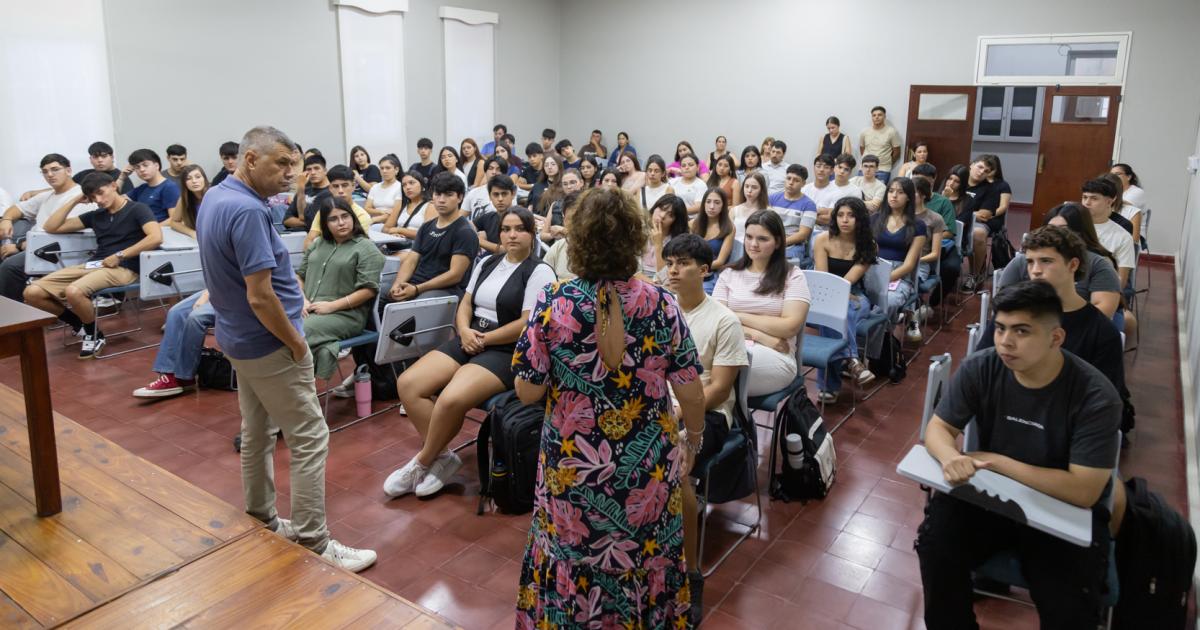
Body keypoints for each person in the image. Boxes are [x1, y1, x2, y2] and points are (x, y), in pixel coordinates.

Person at [511, 187, 705, 628]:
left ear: (577, 240)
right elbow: (691, 390)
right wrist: (693, 438)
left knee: (570, 560)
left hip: (571, 473)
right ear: (635, 240)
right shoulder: (662, 304)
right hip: (645, 472)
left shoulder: (554, 303)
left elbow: (526, 391)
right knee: (647, 559)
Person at [195, 125, 376, 571]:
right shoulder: (248, 212)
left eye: (294, 165)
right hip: (269, 342)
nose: (291, 174)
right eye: (282, 164)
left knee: (258, 432)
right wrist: (297, 343)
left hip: (238, 336)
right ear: (251, 160)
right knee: (311, 436)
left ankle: (261, 517)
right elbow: (260, 295)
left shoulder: (216, 198)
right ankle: (314, 540)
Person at [917, 280, 1120, 630]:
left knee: (1068, 601)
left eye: (1021, 331)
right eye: (999, 329)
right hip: (992, 499)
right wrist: (950, 457)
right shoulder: (982, 367)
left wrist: (999, 463)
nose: (1005, 342)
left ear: (1056, 338)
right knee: (935, 545)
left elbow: (1084, 490)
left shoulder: (1095, 396)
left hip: (1060, 513)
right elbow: (938, 429)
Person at [386, 207, 555, 498]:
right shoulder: (488, 261)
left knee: (451, 397)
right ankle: (442, 458)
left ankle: (422, 461)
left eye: (519, 229)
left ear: (532, 233)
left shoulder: (538, 271)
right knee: (409, 384)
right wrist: (464, 330)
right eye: (506, 229)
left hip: (505, 349)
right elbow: (466, 303)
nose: (511, 235)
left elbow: (526, 323)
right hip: (471, 336)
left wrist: (484, 339)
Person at [661, 233, 749, 623]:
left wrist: (681, 411)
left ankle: (690, 575)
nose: (674, 271)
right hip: (660, 406)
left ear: (705, 270)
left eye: (682, 263)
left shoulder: (724, 320)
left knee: (676, 472)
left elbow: (720, 388)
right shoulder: (661, 310)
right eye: (670, 263)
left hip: (708, 415)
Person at [979, 228, 1129, 426]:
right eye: (1030, 262)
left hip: (1067, 428)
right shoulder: (1010, 317)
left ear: (1073, 264)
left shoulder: (1100, 331)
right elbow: (980, 373)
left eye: (1046, 261)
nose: (1035, 270)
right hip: (1008, 415)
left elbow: (1105, 402)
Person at [24, 172, 162, 358]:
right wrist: (75, 200)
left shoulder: (138, 209)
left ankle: (93, 333)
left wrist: (120, 255)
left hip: (125, 266)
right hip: (96, 264)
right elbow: (51, 227)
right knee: (32, 293)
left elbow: (155, 237)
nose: (98, 199)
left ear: (114, 186)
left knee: (75, 291)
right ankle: (78, 323)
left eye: (101, 192)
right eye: (92, 196)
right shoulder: (96, 215)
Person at [714, 210, 811, 397]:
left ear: (778, 242)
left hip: (777, 356)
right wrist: (762, 336)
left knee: (721, 374)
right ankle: (728, 423)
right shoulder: (729, 274)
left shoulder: (793, 276)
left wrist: (737, 316)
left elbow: (789, 327)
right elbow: (717, 323)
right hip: (742, 345)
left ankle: (730, 424)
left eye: (762, 239)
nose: (753, 244)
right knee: (710, 369)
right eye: (749, 237)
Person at [297, 197, 386, 380]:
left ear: (353, 217)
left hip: (346, 315)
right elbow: (300, 275)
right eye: (333, 219)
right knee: (273, 323)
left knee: (297, 330)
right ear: (325, 223)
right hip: (309, 309)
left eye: (345, 216)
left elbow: (369, 290)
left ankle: (293, 388)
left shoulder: (366, 248)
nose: (341, 223)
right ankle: (288, 386)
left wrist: (331, 306)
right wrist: (302, 300)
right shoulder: (318, 243)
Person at [0, 154, 95, 301]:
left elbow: (61, 234)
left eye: (55, 169)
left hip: (61, 252)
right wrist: (6, 219)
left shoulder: (80, 197)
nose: (49, 174)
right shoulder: (47, 195)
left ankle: (15, 319)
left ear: (68, 170)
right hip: (38, 249)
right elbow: (17, 209)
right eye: (45, 171)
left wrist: (19, 246)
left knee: (10, 267)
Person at [812, 197, 878, 401]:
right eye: (840, 215)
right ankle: (852, 359)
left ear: (860, 219)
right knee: (833, 311)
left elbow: (850, 280)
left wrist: (841, 294)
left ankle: (829, 385)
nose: (845, 220)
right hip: (825, 293)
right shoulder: (823, 239)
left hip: (855, 294)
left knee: (841, 311)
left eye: (851, 215)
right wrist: (835, 294)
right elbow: (824, 279)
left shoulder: (869, 244)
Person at [385, 171, 479, 303]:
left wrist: (417, 289)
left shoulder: (465, 232)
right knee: (379, 293)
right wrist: (397, 284)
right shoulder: (426, 227)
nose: (441, 200)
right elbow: (411, 261)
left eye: (448, 195)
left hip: (446, 290)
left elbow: (455, 275)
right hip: (416, 283)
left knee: (412, 306)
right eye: (437, 194)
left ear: (460, 197)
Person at [1031, 203, 1123, 320]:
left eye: (1063, 230)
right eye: (1050, 229)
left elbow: (1101, 314)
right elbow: (1003, 302)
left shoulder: (1098, 264)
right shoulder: (1026, 259)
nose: (1054, 235)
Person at [133, 289, 213, 398]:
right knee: (176, 312)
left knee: (195, 317)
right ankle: (171, 375)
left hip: (238, 291)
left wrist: (206, 295)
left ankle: (183, 377)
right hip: (217, 288)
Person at [875, 177, 928, 340]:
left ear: (909, 197)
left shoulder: (918, 226)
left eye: (900, 192)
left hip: (900, 276)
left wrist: (885, 279)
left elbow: (910, 264)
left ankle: (881, 344)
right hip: (874, 270)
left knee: (888, 302)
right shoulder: (875, 219)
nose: (894, 196)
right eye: (891, 191)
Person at [913, 163, 961, 304]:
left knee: (951, 268)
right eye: (915, 180)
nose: (917, 184)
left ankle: (933, 302)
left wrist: (930, 238)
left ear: (932, 180)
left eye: (922, 180)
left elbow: (950, 232)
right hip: (913, 248)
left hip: (939, 244)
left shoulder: (942, 202)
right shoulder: (906, 202)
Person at [302, 165, 373, 249]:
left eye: (345, 185)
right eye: (336, 186)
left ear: (353, 186)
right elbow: (309, 240)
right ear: (330, 188)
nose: (340, 191)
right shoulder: (323, 211)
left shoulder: (362, 215)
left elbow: (350, 248)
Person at [912, 176, 948, 325]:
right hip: (898, 261)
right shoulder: (900, 215)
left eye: (912, 192)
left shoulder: (935, 218)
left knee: (905, 281)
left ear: (923, 195)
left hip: (921, 263)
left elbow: (934, 253)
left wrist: (914, 260)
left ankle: (911, 314)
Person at [962, 155, 1003, 285]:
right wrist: (972, 212)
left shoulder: (991, 189)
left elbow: (984, 215)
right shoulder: (957, 180)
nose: (981, 172)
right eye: (980, 167)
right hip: (955, 220)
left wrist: (961, 211)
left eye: (986, 171)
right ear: (971, 164)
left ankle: (975, 274)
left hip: (977, 223)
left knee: (978, 234)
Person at [768, 164, 818, 265]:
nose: (791, 183)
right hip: (771, 241)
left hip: (793, 245)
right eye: (788, 178)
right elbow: (765, 224)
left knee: (782, 266)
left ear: (803, 183)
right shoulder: (772, 198)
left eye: (796, 180)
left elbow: (802, 235)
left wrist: (780, 243)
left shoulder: (809, 205)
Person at [690, 187, 735, 292]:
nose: (711, 207)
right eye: (708, 202)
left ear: (723, 205)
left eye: (717, 202)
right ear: (703, 204)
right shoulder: (693, 224)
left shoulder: (729, 227)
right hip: (692, 271)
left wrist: (697, 268)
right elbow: (689, 252)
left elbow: (720, 261)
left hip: (713, 274)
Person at [810, 154, 865, 233]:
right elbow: (815, 211)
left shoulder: (855, 191)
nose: (842, 171)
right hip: (814, 229)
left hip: (839, 232)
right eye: (840, 167)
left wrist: (811, 216)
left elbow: (845, 218)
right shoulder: (824, 186)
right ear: (834, 168)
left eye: (846, 169)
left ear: (850, 172)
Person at [126, 148, 182, 223]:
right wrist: (122, 178)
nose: (141, 169)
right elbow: (116, 201)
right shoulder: (142, 188)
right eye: (137, 167)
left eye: (145, 165)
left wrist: (152, 230)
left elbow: (174, 219)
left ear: (156, 165)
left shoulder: (169, 187)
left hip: (159, 232)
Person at [473, 174, 524, 255]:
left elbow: (505, 250)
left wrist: (479, 240)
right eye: (496, 194)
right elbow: (468, 226)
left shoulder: (521, 218)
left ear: (513, 194)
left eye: (504, 194)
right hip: (490, 263)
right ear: (490, 196)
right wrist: (477, 233)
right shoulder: (488, 217)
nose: (500, 199)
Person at [645, 194, 690, 278]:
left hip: (660, 282)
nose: (662, 216)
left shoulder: (678, 242)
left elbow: (664, 277)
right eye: (661, 209)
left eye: (670, 215)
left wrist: (658, 244)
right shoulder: (638, 229)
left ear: (676, 221)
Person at [283, 154, 331, 231]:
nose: (313, 172)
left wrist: (310, 222)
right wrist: (301, 188)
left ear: (325, 171)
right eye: (309, 169)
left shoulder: (330, 192)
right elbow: (287, 220)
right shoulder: (303, 190)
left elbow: (303, 217)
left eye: (316, 168)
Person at [382, 171, 434, 242]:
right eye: (404, 185)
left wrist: (399, 230)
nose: (408, 187)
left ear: (422, 186)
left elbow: (427, 234)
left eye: (411, 183)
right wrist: (394, 233)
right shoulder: (401, 205)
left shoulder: (430, 205)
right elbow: (385, 229)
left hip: (417, 248)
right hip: (398, 245)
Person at [859, 106, 902, 182]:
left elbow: (897, 152)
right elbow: (862, 148)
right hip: (865, 168)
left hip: (883, 169)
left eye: (879, 115)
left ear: (884, 116)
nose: (877, 117)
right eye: (874, 115)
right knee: (859, 192)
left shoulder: (892, 132)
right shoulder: (865, 132)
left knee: (878, 193)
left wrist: (887, 162)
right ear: (872, 117)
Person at [540, 168, 583, 244]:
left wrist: (562, 230)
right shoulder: (555, 204)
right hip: (558, 246)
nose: (569, 187)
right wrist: (554, 235)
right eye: (565, 184)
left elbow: (588, 235)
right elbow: (543, 235)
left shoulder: (589, 203)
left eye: (572, 182)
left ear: (581, 183)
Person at [167, 164, 207, 238]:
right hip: (198, 239)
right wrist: (191, 232)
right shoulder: (184, 198)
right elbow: (174, 222)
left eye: (198, 177)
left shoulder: (214, 194)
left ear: (204, 179)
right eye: (188, 178)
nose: (194, 181)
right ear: (184, 183)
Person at [463, 156, 506, 222]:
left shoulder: (508, 193)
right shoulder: (474, 193)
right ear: (485, 171)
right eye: (490, 168)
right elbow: (460, 216)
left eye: (498, 169)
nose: (494, 172)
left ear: (504, 173)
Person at [364, 154, 404, 224]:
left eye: (388, 168)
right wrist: (381, 211)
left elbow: (395, 212)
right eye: (382, 168)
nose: (384, 171)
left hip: (390, 223)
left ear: (396, 170)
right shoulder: (375, 187)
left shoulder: (400, 187)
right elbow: (367, 208)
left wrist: (374, 219)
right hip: (373, 222)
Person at [731, 171, 769, 241]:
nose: (749, 190)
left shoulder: (768, 211)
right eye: (747, 186)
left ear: (761, 190)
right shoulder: (734, 210)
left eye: (754, 187)